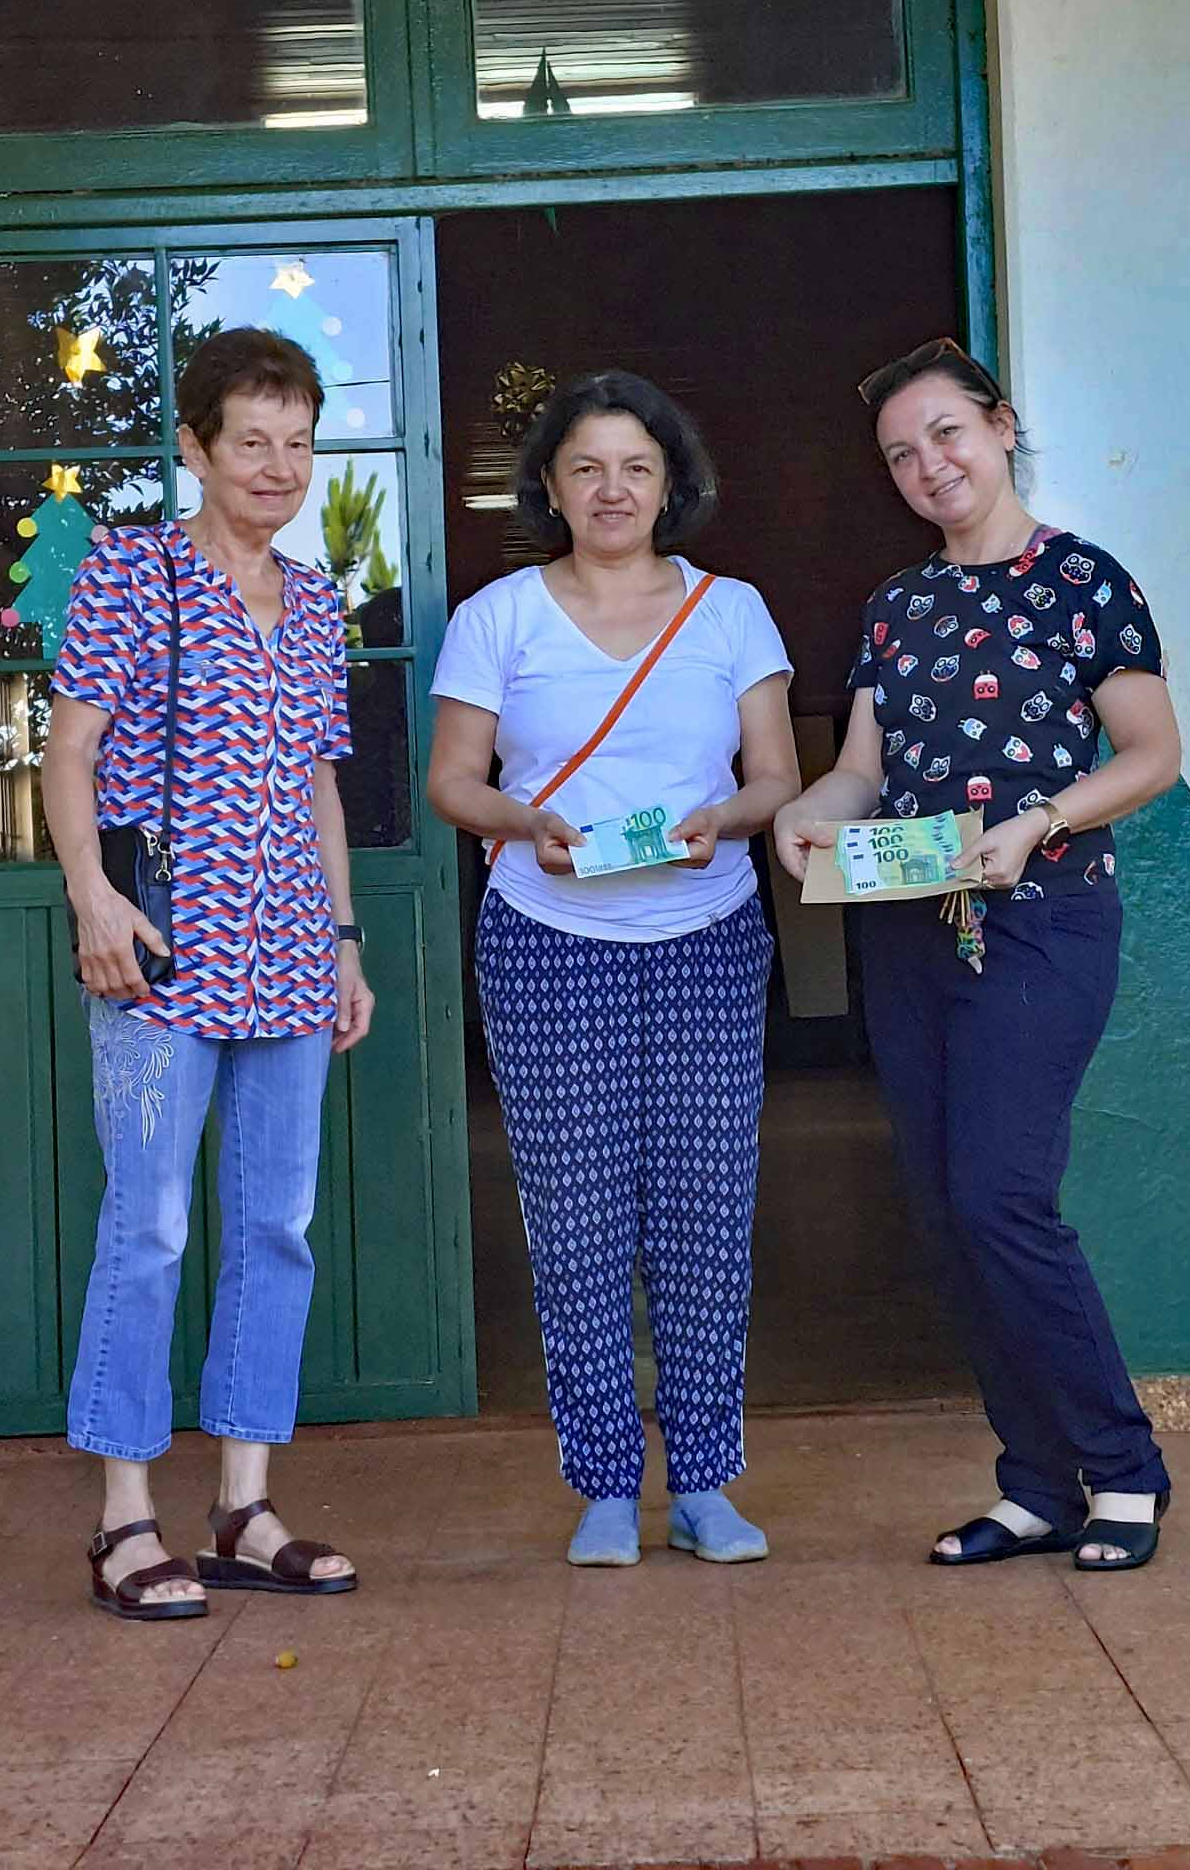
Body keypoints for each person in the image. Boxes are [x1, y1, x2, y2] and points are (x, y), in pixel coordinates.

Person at [774, 337, 1181, 1573]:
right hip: (913, 929)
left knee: (1002, 1193)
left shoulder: (1083, 580)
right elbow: (860, 766)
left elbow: (1152, 752)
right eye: (901, 452)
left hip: (1045, 917)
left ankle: (1125, 1467)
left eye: (946, 433)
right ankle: (1035, 1481)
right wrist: (812, 815)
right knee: (947, 1215)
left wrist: (1037, 821)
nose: (927, 464)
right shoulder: (897, 607)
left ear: (1002, 427)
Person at [428, 370, 799, 1567]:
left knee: (704, 1214)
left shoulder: (731, 608)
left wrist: (724, 818)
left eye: (636, 466)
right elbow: (452, 780)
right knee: (575, 1221)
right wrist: (522, 814)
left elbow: (777, 776)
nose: (612, 488)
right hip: (546, 939)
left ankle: (702, 1481)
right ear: (549, 483)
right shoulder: (498, 616)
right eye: (585, 466)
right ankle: (599, 1484)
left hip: (707, 933)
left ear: (670, 483)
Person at [43, 327, 374, 1619]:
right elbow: (69, 750)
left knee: (275, 1229)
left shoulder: (316, 597)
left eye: (297, 443)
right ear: (195, 446)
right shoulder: (132, 573)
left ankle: (243, 1503)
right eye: (252, 442)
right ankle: (125, 1519)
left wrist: (343, 935)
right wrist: (93, 898)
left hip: (291, 952)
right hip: (161, 951)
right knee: (151, 1227)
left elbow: (317, 782)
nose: (277, 466)